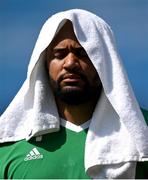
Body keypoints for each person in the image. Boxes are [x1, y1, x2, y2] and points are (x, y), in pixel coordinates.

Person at [0, 9, 148, 179]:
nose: (70, 63)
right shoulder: (8, 148)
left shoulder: (143, 135)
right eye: (60, 54)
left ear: (106, 62)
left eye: (83, 53)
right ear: (44, 65)